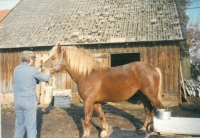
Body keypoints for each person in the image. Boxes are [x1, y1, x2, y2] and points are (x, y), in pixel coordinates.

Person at [13, 51, 50, 138]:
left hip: (17, 100)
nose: (33, 61)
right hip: (28, 100)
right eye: (33, 59)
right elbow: (45, 78)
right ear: (30, 59)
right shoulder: (33, 70)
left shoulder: (16, 69)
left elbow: (27, 80)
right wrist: (48, 73)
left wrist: (36, 77)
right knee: (31, 127)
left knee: (19, 126)